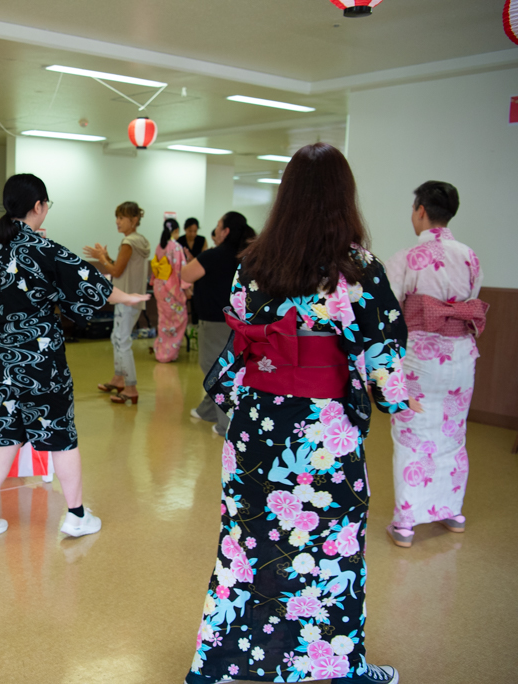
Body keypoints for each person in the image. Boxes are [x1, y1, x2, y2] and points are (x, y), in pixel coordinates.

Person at [182, 143, 408, 684]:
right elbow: (382, 347)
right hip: (322, 430)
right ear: (343, 198)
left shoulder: (254, 264)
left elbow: (242, 337)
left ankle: (221, 665)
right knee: (330, 545)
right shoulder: (358, 268)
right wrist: (393, 395)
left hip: (258, 423)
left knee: (248, 543)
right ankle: (338, 665)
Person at [0, 174, 150, 541]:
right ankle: (77, 515)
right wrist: (128, 298)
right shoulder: (43, 248)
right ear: (38, 206)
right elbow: (90, 282)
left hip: (2, 360)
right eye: (46, 204)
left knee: (4, 437)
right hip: (39, 363)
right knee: (60, 435)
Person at [385, 181, 486, 548]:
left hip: (422, 356)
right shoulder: (470, 255)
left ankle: (406, 523)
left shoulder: (407, 258)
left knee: (412, 433)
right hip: (461, 355)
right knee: (453, 433)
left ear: (421, 210)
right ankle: (452, 511)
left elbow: (390, 309)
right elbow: (471, 300)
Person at [181, 212, 254, 435]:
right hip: (239, 322)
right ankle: (207, 411)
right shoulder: (247, 255)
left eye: (218, 225)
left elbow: (186, 274)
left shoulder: (214, 255)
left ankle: (226, 424)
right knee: (224, 366)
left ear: (225, 231)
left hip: (215, 322)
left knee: (215, 368)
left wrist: (193, 259)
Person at [83, 201, 151, 405]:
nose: (117, 222)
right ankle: (118, 379)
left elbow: (115, 271)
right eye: (117, 217)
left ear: (134, 220)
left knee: (122, 342)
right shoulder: (140, 241)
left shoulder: (129, 242)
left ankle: (131, 388)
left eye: (122, 218)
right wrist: (106, 257)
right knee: (117, 337)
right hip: (132, 298)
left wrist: (101, 259)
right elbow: (121, 266)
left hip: (126, 299)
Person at [151, 218, 192, 363]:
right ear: (176, 231)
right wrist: (186, 287)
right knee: (177, 320)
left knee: (164, 320)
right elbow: (180, 269)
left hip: (159, 287)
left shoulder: (160, 246)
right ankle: (168, 354)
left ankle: (161, 350)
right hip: (171, 288)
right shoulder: (176, 247)